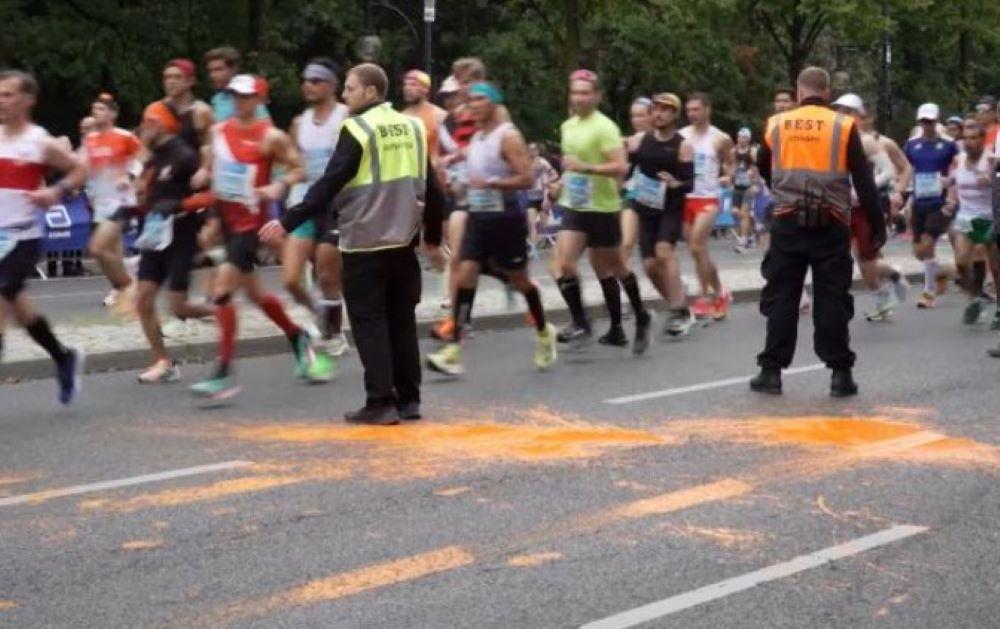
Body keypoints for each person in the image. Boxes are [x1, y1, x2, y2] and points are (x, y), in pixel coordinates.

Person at [260, 63, 447, 425]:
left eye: (350, 88)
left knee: (369, 322)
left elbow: (329, 183)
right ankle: (409, 400)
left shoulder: (357, 128)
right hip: (404, 242)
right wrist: (434, 238)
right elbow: (434, 188)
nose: (345, 95)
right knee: (402, 322)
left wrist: (286, 221)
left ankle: (380, 402)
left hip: (364, 242)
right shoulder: (412, 126)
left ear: (371, 93)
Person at [751, 66, 886, 397]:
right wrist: (877, 222)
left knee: (783, 296)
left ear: (799, 92)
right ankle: (841, 375)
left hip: (787, 221)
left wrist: (781, 188)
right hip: (831, 223)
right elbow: (863, 178)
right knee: (832, 299)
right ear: (826, 92)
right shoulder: (843, 125)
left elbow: (763, 164)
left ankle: (771, 372)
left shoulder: (777, 123)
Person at [188, 74, 309, 401]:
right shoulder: (218, 131)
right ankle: (297, 336)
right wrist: (210, 209)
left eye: (245, 96)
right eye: (234, 96)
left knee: (222, 290)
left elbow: (300, 169)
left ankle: (224, 370)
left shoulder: (271, 137)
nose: (239, 102)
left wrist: (277, 186)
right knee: (255, 295)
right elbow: (215, 175)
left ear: (259, 100)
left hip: (250, 225)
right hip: (226, 220)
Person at [425, 82, 557, 376]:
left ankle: (544, 332)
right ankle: (454, 350)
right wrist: (449, 171)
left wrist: (493, 184)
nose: (472, 104)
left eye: (480, 99)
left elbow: (526, 178)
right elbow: (470, 170)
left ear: (495, 104)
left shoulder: (507, 136)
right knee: (464, 274)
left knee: (520, 281)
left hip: (506, 220)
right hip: (478, 218)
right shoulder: (478, 136)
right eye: (469, 99)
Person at [550, 69, 652, 354]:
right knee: (563, 264)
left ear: (596, 96)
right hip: (575, 205)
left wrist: (586, 168)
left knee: (615, 268)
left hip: (604, 208)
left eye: (585, 93)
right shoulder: (567, 126)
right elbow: (570, 165)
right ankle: (581, 322)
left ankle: (641, 316)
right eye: (575, 92)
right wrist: (559, 183)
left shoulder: (605, 127)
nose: (579, 98)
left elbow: (620, 167)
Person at [0, 70, 87, 404]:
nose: (2, 100)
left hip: (23, 237)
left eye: (8, 94)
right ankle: (64, 357)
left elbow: (81, 168)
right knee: (22, 313)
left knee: (2, 297)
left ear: (27, 100)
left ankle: (64, 358)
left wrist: (56, 191)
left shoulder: (39, 141)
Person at [133, 102, 217, 383]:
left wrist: (180, 204)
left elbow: (210, 195)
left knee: (178, 307)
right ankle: (162, 361)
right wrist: (137, 199)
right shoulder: (150, 158)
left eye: (147, 122)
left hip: (181, 235)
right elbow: (144, 196)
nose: (143, 128)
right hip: (154, 235)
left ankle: (225, 312)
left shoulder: (184, 155)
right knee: (143, 299)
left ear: (159, 124)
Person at [283, 58, 351, 379]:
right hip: (306, 203)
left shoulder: (345, 116)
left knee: (326, 272)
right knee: (291, 279)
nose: (308, 85)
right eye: (306, 80)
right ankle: (322, 316)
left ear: (332, 85)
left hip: (336, 204)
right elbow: (292, 162)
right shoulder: (299, 122)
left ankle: (334, 333)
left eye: (316, 80)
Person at [831, 94, 910, 322]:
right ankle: (882, 300)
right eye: (838, 110)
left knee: (866, 257)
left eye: (846, 111)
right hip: (842, 207)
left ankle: (894, 275)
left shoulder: (867, 141)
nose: (840, 115)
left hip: (865, 207)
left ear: (856, 116)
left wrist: (861, 190)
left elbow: (888, 172)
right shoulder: (836, 139)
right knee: (853, 256)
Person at [630, 92, 696, 336]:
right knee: (649, 266)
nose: (659, 113)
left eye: (665, 109)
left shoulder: (682, 145)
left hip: (671, 207)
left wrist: (675, 184)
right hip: (645, 208)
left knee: (663, 251)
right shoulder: (641, 141)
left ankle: (678, 312)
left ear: (674, 115)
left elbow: (690, 183)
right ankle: (678, 302)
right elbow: (628, 169)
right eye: (655, 109)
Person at [82, 93, 143, 310]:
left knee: (100, 248)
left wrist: (129, 177)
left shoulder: (125, 136)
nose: (96, 113)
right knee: (111, 251)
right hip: (100, 200)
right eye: (94, 109)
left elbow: (142, 158)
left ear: (113, 113)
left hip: (121, 200)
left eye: (101, 109)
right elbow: (88, 167)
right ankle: (122, 285)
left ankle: (124, 286)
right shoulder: (90, 139)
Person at [680, 93, 734, 320]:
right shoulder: (681, 135)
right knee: (699, 251)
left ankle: (703, 297)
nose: (692, 114)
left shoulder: (720, 138)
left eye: (696, 109)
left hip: (707, 197)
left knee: (696, 246)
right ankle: (721, 292)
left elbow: (730, 164)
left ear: (707, 110)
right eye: (689, 110)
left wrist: (727, 177)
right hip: (685, 197)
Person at [904, 102, 958, 309]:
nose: (927, 125)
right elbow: (907, 169)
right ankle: (942, 271)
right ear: (919, 122)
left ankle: (928, 292)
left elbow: (958, 168)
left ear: (936, 121)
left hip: (939, 202)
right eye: (924, 121)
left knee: (928, 244)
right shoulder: (912, 145)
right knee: (919, 251)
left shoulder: (949, 145)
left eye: (931, 121)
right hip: (919, 201)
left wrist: (951, 190)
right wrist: (904, 196)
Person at [944, 119, 999, 326]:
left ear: (983, 140)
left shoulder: (992, 160)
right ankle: (976, 298)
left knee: (995, 268)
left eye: (974, 138)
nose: (969, 142)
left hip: (988, 218)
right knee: (960, 262)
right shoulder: (959, 160)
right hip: (966, 218)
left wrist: (993, 179)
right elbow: (953, 181)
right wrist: (947, 190)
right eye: (966, 138)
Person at [621, 97, 653, 269]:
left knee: (654, 252)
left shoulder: (663, 139)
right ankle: (626, 285)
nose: (636, 120)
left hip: (656, 198)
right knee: (626, 243)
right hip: (633, 195)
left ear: (651, 116)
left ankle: (673, 284)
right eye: (634, 116)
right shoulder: (628, 141)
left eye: (641, 116)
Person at [203, 47, 269, 122]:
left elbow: (266, 125)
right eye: (210, 71)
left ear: (233, 69)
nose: (213, 75)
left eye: (218, 69)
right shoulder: (217, 99)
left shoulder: (248, 95)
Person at [525, 142, 558, 254]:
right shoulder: (525, 163)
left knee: (544, 226)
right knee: (531, 222)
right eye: (530, 149)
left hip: (543, 196)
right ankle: (534, 248)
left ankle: (555, 246)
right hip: (531, 197)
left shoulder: (543, 162)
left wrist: (548, 182)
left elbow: (555, 174)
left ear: (538, 151)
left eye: (534, 149)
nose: (532, 152)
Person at [731, 127, 759, 253]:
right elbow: (730, 166)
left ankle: (743, 242)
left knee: (744, 213)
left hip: (748, 186)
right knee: (735, 212)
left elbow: (757, 168)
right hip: (737, 185)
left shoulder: (752, 151)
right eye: (739, 137)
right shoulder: (733, 151)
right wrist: (730, 178)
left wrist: (755, 183)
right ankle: (752, 235)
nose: (741, 139)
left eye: (744, 137)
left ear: (748, 139)